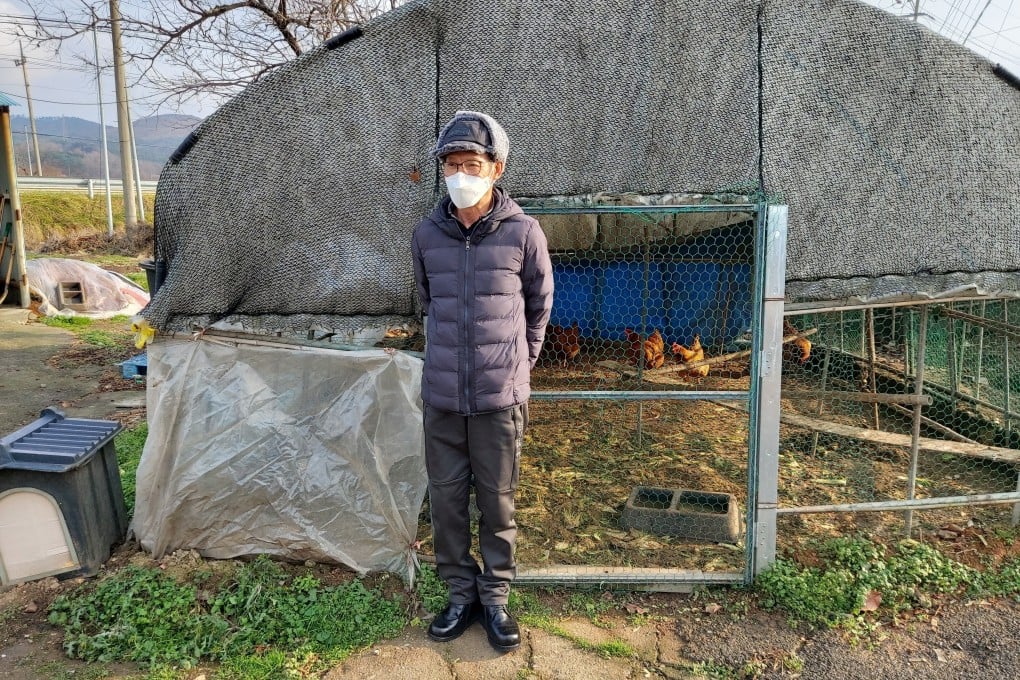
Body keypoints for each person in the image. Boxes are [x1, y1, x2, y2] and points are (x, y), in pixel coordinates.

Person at [411, 110, 554, 653]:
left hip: (500, 398)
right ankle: (459, 595)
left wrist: (521, 363)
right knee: (447, 503)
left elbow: (539, 306)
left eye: (471, 163)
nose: (460, 174)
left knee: (497, 502)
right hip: (443, 396)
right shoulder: (427, 234)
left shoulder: (523, 231)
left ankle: (494, 600)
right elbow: (428, 302)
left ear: (496, 169)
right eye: (452, 164)